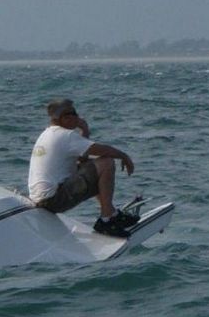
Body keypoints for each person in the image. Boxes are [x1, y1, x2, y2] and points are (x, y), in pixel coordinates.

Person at [27, 99, 139, 237]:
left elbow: (84, 159)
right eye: (75, 113)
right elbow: (101, 150)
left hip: (42, 200)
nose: (78, 117)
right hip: (53, 200)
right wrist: (124, 156)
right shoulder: (65, 135)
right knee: (107, 162)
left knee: (90, 167)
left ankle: (111, 212)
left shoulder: (48, 134)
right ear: (65, 117)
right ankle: (107, 220)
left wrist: (84, 130)